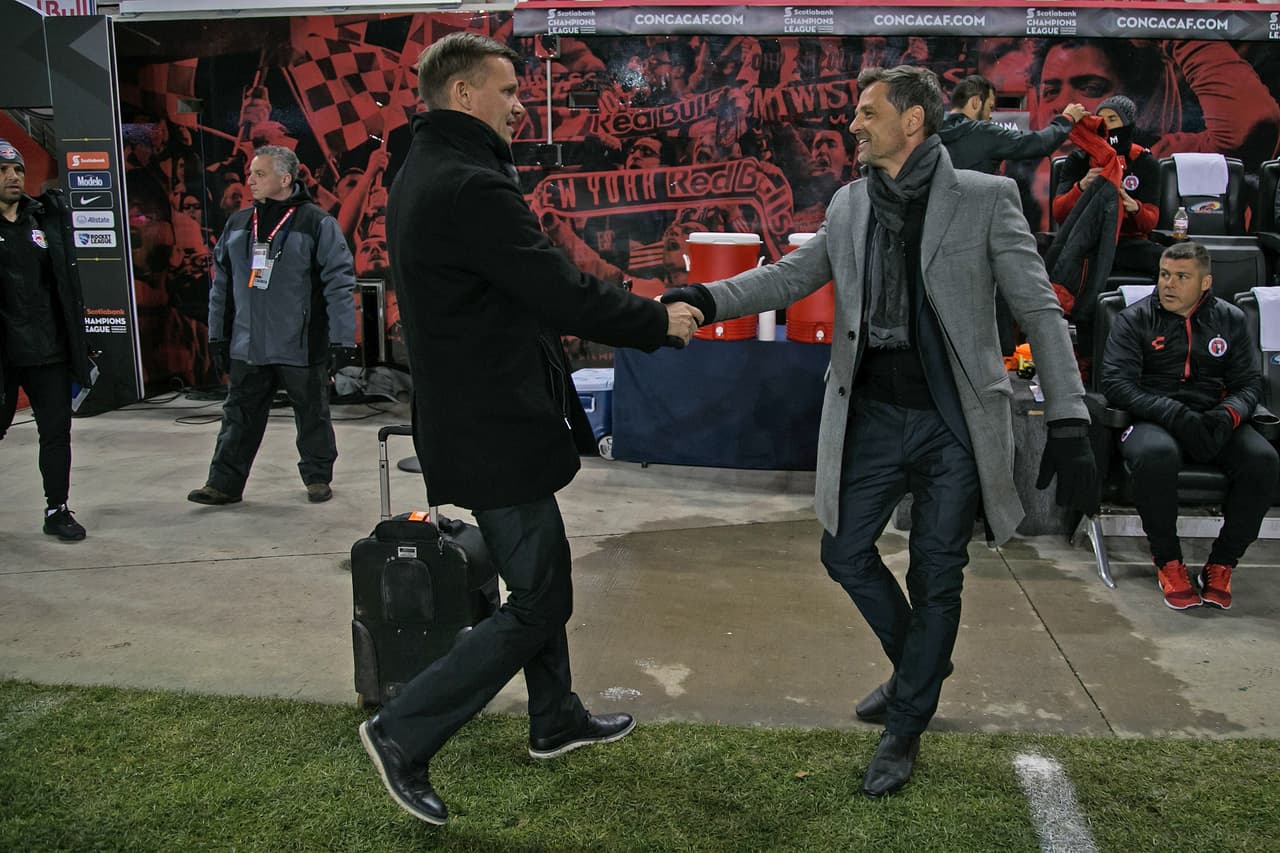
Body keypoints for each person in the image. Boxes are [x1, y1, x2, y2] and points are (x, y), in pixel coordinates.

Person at [662, 66, 1095, 798]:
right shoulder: (851, 204)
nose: (854, 124)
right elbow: (790, 276)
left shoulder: (987, 199)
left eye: (868, 113)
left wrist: (1070, 417)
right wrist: (705, 297)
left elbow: (1040, 310)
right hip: (873, 414)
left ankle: (905, 724)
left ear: (914, 122)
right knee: (844, 550)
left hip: (956, 419)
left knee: (936, 571)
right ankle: (921, 667)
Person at [360, 32, 703, 826]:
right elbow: (557, 288)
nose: (521, 104)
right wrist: (655, 320)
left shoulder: (427, 166)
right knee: (543, 596)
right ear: (463, 95)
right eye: (508, 90)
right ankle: (402, 730)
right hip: (492, 425)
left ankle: (554, 718)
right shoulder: (468, 183)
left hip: (478, 416)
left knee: (536, 579)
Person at [1100, 241, 1278, 612]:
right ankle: (1168, 561)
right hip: (1154, 417)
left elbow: (1250, 383)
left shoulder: (1230, 319)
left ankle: (1222, 564)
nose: (1169, 284)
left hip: (1211, 415)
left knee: (1263, 460)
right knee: (1157, 456)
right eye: (1165, 275)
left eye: (1182, 277)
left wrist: (1227, 414)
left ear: (1205, 282)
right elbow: (1116, 384)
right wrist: (1171, 412)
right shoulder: (1134, 318)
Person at [186, 145, 356, 506]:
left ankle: (317, 478)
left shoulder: (316, 223)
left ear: (285, 178)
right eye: (250, 173)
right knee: (238, 416)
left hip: (300, 342)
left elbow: (340, 284)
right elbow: (220, 285)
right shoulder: (238, 223)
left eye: (259, 174)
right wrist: (217, 335)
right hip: (248, 344)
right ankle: (223, 484)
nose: (251, 181)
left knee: (312, 414)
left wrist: (343, 342)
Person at [0, 140, 93, 541]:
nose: (13, 177)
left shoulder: (43, 218)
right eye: (3, 171)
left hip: (48, 349)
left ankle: (57, 509)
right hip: (4, 353)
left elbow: (65, 285)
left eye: (18, 169)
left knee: (56, 432)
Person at [1053, 95, 1163, 278]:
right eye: (1101, 120)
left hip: (1127, 243)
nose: (1107, 126)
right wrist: (1081, 187)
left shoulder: (1145, 162)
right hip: (1086, 241)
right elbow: (1059, 212)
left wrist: (1134, 208)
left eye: (1112, 119)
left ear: (1128, 124)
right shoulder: (1078, 160)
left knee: (1167, 260)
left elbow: (1150, 222)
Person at [938, 74, 1085, 174]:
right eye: (990, 107)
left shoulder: (930, 129)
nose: (990, 116)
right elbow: (1039, 143)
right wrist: (1067, 119)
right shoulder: (982, 132)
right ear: (976, 102)